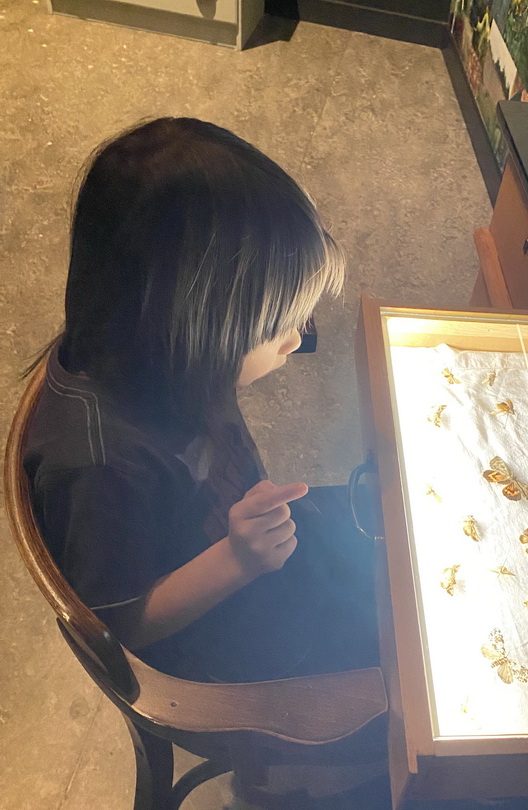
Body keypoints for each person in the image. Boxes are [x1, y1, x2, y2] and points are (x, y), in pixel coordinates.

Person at [23, 117, 379, 684]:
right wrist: (238, 560)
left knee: (384, 534)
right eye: (277, 326)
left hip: (243, 534)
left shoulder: (153, 355)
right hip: (210, 642)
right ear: (189, 331)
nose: (296, 340)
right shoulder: (96, 466)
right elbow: (119, 623)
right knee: (393, 655)